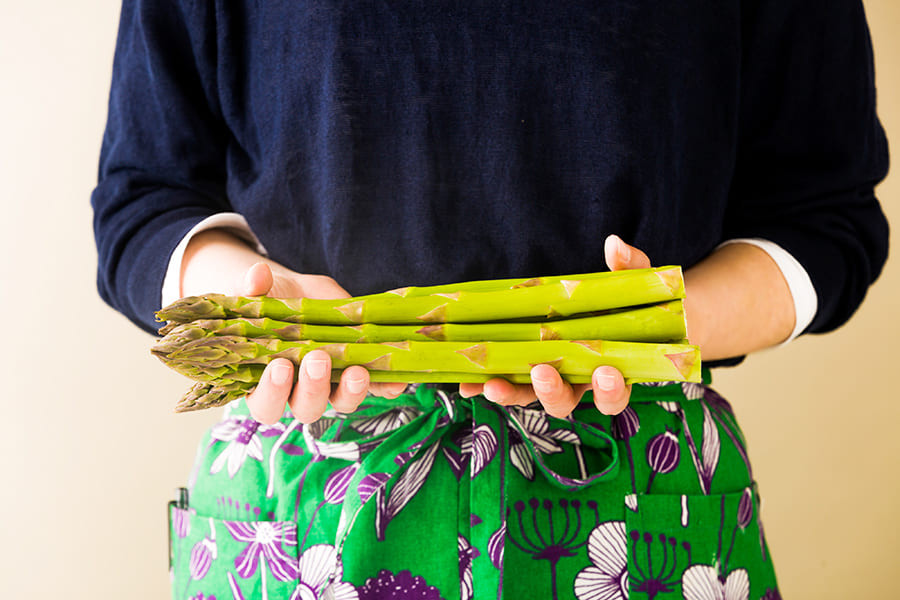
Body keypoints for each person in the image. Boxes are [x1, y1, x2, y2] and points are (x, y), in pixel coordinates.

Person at [92, 1, 889, 599]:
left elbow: (825, 218)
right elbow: (143, 201)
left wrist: (647, 327)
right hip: (302, 498)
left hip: (642, 491)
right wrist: (266, 307)